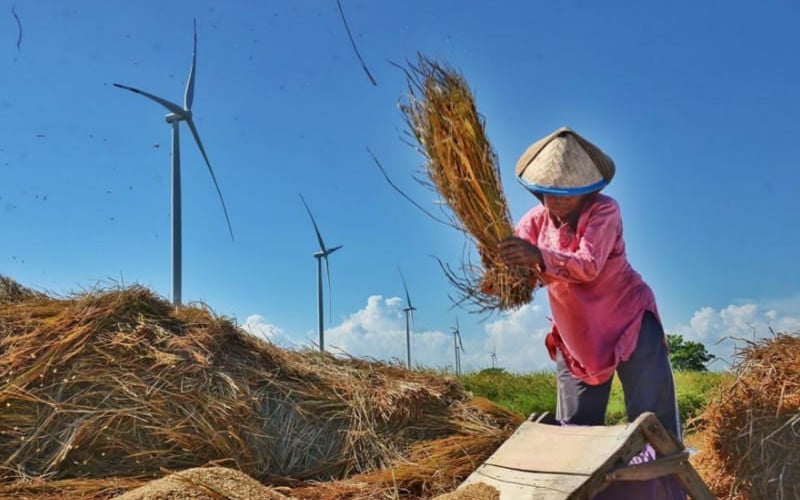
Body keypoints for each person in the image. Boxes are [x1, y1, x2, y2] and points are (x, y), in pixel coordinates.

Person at [498, 127, 685, 498]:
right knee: (576, 428)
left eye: (566, 196)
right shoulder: (534, 222)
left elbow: (587, 265)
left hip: (628, 320)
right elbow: (518, 265)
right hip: (576, 334)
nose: (556, 203)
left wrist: (538, 257)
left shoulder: (604, 211)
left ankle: (663, 495)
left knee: (651, 423)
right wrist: (502, 270)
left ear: (587, 192)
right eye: (549, 195)